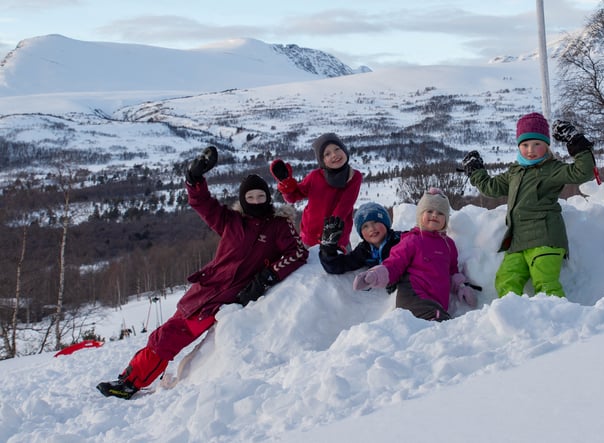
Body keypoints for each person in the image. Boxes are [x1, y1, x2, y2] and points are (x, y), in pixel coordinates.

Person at [97, 146, 307, 399]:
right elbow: (201, 203)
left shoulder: (278, 225)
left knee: (169, 337)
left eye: (260, 197)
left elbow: (297, 253)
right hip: (205, 290)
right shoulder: (231, 221)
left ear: (267, 198)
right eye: (249, 198)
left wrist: (267, 277)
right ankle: (130, 379)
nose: (255, 202)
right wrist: (194, 179)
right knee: (166, 333)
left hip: (227, 297)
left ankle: (131, 383)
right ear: (242, 200)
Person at [461, 112, 596, 298]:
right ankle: (511, 318)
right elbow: (490, 188)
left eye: (537, 144)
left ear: (546, 146)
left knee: (546, 283)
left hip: (545, 239)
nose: (530, 149)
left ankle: (558, 320)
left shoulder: (552, 169)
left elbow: (583, 172)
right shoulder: (514, 172)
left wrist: (577, 143)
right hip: (517, 243)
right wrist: (476, 171)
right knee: (506, 280)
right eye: (525, 145)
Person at [352, 188, 477, 321]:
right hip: (413, 296)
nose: (434, 215)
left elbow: (452, 270)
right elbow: (394, 263)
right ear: (420, 215)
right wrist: (375, 275)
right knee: (440, 323)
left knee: (438, 327)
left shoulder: (448, 244)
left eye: (440, 213)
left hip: (437, 303)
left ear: (445, 219)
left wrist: (462, 287)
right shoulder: (412, 240)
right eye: (429, 211)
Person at [269, 133, 362, 251]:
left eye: (337, 149)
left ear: (344, 150)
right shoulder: (315, 176)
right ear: (322, 160)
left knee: (341, 268)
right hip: (310, 238)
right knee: (308, 269)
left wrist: (331, 233)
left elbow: (344, 206)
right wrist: (286, 183)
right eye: (327, 154)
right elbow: (292, 197)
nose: (334, 155)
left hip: (337, 238)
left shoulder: (353, 176)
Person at [318, 202, 404, 287]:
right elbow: (338, 266)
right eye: (365, 226)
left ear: (386, 224)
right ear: (361, 233)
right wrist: (328, 249)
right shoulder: (364, 251)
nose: (371, 228)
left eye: (375, 222)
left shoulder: (401, 240)